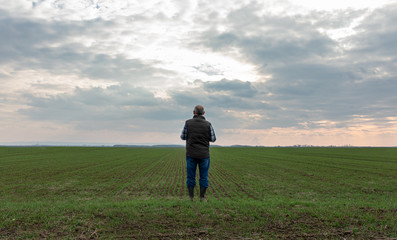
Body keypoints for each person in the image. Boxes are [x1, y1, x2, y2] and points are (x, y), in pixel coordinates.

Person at [180, 105, 216, 201]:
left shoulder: (188, 123)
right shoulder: (208, 124)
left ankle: (191, 198)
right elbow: (213, 139)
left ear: (194, 112)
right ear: (203, 113)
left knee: (190, 176)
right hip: (204, 155)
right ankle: (202, 197)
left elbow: (183, 137)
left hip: (191, 154)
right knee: (204, 176)